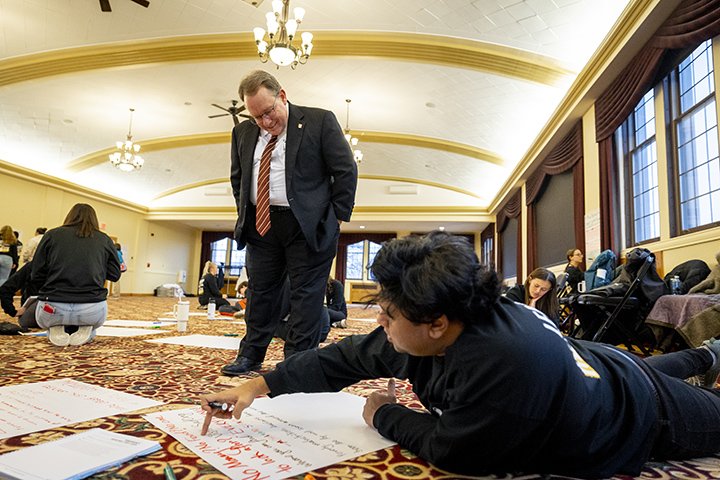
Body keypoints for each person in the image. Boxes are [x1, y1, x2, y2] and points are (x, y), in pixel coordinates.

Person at [201, 232, 720, 478]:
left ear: (437, 325)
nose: (379, 324)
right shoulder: (438, 319)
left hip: (644, 416)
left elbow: (456, 450)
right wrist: (257, 384)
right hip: (602, 364)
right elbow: (346, 358)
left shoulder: (501, 372)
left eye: (387, 315)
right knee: (673, 366)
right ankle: (709, 355)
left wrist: (384, 413)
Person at [222, 69, 358, 375]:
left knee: (306, 295)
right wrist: (247, 210)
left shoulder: (319, 121)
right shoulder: (242, 133)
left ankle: (298, 362)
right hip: (262, 224)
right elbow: (238, 179)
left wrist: (336, 217)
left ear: (282, 96)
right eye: (257, 117)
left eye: (269, 112)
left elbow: (346, 170)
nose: (265, 123)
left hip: (307, 225)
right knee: (260, 293)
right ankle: (251, 355)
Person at [31, 203, 122, 346]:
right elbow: (115, 275)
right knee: (91, 318)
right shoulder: (104, 239)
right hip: (91, 307)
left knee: (48, 318)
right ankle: (87, 328)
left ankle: (55, 328)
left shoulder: (52, 235)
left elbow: (36, 274)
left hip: (52, 307)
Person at [0, 260, 40, 328]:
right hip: (58, 313)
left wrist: (12, 311)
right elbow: (5, 289)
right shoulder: (61, 267)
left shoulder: (34, 265)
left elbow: (6, 288)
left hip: (33, 314)